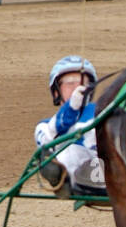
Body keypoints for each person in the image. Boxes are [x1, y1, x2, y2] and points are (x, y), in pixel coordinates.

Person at [35, 56, 102, 197]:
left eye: (83, 83)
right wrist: (71, 108)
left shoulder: (101, 110)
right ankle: (64, 183)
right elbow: (48, 138)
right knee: (53, 153)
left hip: (110, 165)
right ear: (56, 91)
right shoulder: (45, 125)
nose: (78, 87)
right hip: (75, 173)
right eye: (70, 83)